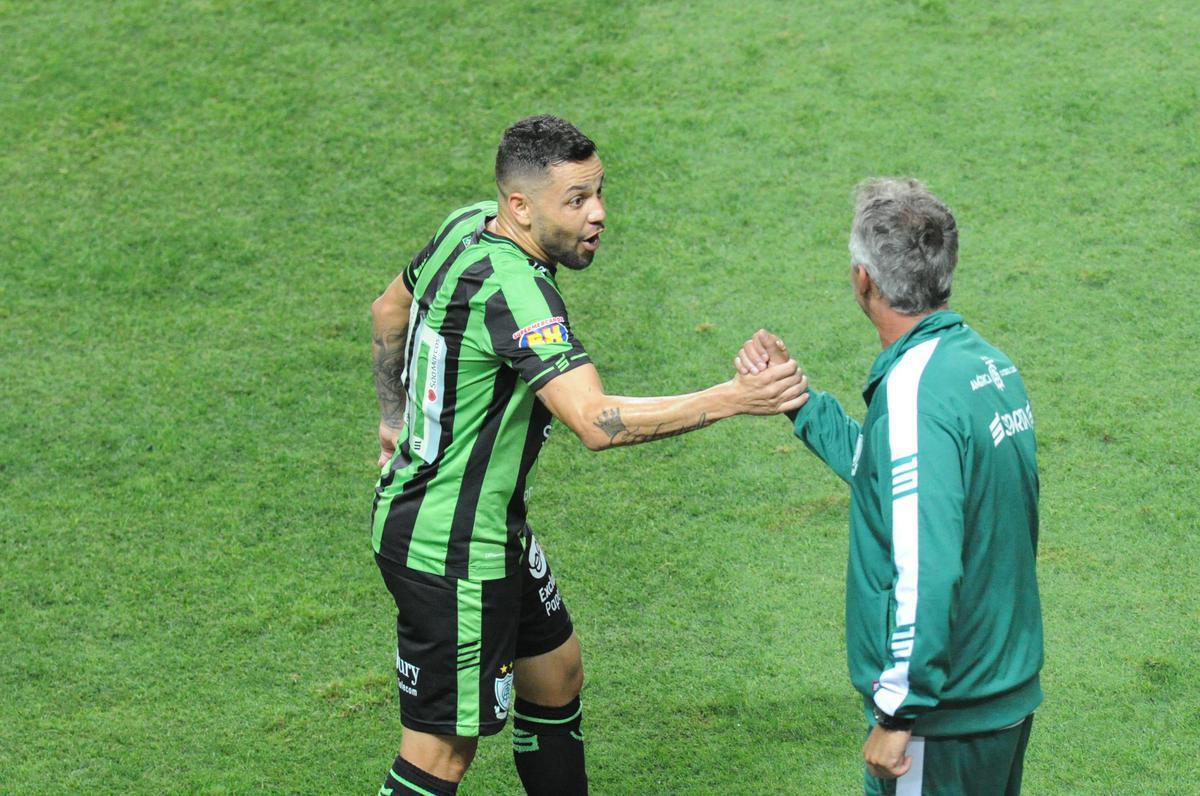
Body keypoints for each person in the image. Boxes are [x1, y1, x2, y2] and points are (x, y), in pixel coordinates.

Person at [369, 114, 808, 796]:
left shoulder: (466, 225)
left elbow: (387, 311)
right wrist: (734, 398)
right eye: (577, 200)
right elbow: (596, 422)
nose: (598, 213)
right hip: (451, 551)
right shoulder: (519, 293)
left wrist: (393, 420)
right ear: (521, 206)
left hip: (486, 526)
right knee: (440, 755)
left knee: (556, 672)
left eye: (599, 192)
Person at [738, 178, 1044, 795]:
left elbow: (925, 562)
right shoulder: (987, 365)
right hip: (1001, 692)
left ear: (863, 280)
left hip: (943, 716)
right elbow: (894, 480)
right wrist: (800, 402)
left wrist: (897, 714)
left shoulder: (914, 393)